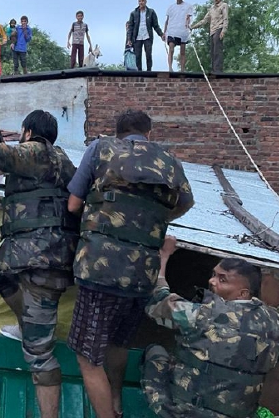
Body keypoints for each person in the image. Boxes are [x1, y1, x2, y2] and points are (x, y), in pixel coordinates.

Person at [66, 109, 195, 418]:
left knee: (87, 357)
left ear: (118, 131)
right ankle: (118, 403)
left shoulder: (100, 149)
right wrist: (153, 218)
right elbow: (186, 203)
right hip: (142, 274)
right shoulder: (169, 162)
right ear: (148, 133)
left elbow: (73, 204)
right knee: (118, 343)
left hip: (99, 268)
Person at [142, 236, 279, 418]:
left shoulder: (200, 315)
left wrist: (163, 257)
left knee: (155, 351)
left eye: (222, 280)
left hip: (183, 414)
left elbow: (156, 302)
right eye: (214, 275)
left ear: (243, 293)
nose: (212, 281)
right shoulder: (272, 327)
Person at [0, 110, 80, 418]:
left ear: (28, 132)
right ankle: (26, 326)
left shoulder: (37, 151)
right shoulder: (64, 161)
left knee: (40, 354)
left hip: (39, 260)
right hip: (46, 255)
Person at [190, 0, 229, 73]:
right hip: (212, 30)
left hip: (219, 28)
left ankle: (218, 70)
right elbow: (204, 20)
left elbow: (225, 18)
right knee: (212, 50)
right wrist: (193, 27)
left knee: (217, 50)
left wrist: (223, 31)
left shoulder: (223, 6)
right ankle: (214, 69)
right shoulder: (212, 8)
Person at [126, 0, 164, 72]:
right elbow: (130, 27)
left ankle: (149, 70)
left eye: (143, 1)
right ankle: (139, 71)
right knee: (137, 56)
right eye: (140, 1)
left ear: (146, 2)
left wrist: (161, 34)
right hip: (137, 37)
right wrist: (129, 38)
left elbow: (155, 25)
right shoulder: (133, 13)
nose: (141, 2)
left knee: (148, 54)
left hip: (147, 36)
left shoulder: (151, 12)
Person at [162, 0, 194, 72]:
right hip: (172, 30)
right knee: (171, 48)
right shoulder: (171, 7)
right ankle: (170, 68)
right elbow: (167, 20)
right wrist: (164, 32)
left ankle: (182, 69)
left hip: (182, 31)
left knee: (182, 51)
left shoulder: (188, 6)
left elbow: (189, 17)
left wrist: (188, 25)